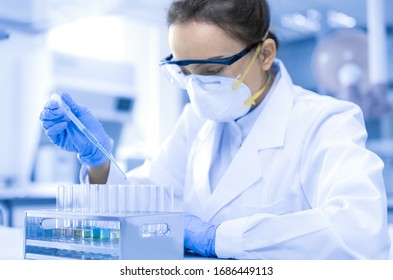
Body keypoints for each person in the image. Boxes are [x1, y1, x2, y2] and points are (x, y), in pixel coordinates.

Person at [40, 0, 391, 259]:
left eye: (210, 71)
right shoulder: (197, 121)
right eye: (184, 72)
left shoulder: (325, 121)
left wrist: (220, 238)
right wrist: (98, 162)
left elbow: (358, 231)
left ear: (265, 54)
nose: (197, 87)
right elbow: (144, 201)